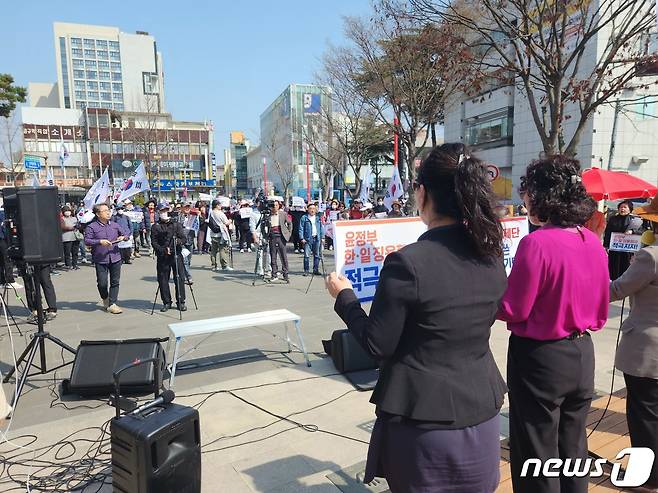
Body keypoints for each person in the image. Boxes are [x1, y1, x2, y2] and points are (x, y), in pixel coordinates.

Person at [326, 143, 507, 493]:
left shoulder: (407, 263)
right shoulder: (490, 254)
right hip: (483, 413)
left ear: (422, 193)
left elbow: (377, 343)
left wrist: (344, 297)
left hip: (426, 424)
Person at [497, 155, 609, 493]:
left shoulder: (536, 243)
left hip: (541, 359)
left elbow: (514, 308)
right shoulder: (591, 240)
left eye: (527, 192)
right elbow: (602, 307)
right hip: (581, 353)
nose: (524, 198)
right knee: (573, 447)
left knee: (536, 450)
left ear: (542, 196)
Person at [609, 200, 658, 490]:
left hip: (647, 351)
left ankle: (648, 478)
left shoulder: (650, 257)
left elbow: (616, 290)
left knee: (644, 416)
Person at [84, 203, 130, 314]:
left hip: (115, 257)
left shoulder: (114, 225)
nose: (108, 212)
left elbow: (126, 234)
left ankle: (112, 303)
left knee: (115, 281)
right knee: (102, 283)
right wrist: (99, 242)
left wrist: (123, 237)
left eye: (108, 210)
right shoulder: (92, 226)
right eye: (104, 211)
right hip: (100, 258)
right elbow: (87, 240)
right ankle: (105, 298)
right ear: (97, 214)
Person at [151, 202, 187, 312]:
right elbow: (154, 242)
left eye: (166, 210)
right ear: (158, 212)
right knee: (162, 279)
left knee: (179, 278)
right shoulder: (155, 226)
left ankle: (181, 302)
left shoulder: (176, 224)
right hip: (162, 256)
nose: (164, 213)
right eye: (162, 211)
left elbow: (184, 238)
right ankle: (166, 302)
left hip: (176, 254)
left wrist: (178, 242)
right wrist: (162, 249)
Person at [604, 200, 642, 280]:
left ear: (630, 209)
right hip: (614, 248)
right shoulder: (613, 219)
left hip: (627, 250)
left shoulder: (634, 220)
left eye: (625, 207)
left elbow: (641, 231)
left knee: (626, 266)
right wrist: (606, 245)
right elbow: (608, 232)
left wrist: (632, 231)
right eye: (621, 207)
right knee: (613, 266)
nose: (622, 209)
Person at [269, 200, 292, 282]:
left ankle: (285, 273)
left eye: (276, 205)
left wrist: (288, 233)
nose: (274, 207)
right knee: (273, 256)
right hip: (272, 236)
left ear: (279, 206)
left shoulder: (283, 214)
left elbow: (289, 223)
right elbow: (263, 225)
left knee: (283, 256)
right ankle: (274, 274)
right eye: (273, 205)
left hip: (281, 236)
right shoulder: (268, 214)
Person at [250, 199, 272, 281]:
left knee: (270, 252)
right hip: (259, 234)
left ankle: (269, 269)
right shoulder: (253, 213)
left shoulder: (268, 213)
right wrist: (254, 237)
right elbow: (252, 227)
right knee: (260, 253)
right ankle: (260, 270)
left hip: (267, 234)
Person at [207, 199, 233, 272]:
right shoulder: (220, 213)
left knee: (213, 251)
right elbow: (226, 222)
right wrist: (230, 220)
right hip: (221, 234)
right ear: (217, 205)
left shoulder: (211, 213)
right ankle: (224, 265)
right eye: (220, 205)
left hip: (212, 233)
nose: (221, 206)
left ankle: (214, 265)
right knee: (222, 250)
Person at [300, 203, 323, 276]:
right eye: (311, 209)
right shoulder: (304, 217)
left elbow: (321, 228)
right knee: (306, 255)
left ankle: (315, 269)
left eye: (314, 209)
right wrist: (302, 238)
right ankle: (306, 270)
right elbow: (301, 228)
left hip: (316, 238)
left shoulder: (318, 218)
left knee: (317, 255)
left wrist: (322, 237)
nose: (312, 210)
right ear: (308, 209)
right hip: (307, 238)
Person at [60, 205, 80, 270]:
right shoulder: (62, 219)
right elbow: (62, 227)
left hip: (75, 237)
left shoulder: (74, 218)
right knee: (67, 252)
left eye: (68, 211)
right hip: (66, 238)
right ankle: (68, 265)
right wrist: (71, 228)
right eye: (66, 211)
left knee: (75, 252)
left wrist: (78, 226)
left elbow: (79, 226)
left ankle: (75, 264)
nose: (67, 212)